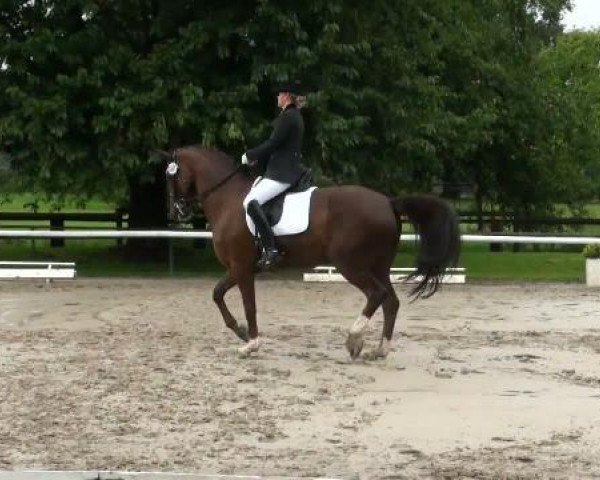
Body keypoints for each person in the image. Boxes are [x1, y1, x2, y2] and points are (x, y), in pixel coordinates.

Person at [241, 80, 307, 270]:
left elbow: (272, 144)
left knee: (250, 203)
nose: (277, 97)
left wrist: (249, 155)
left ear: (286, 96)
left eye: (279, 94)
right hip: (283, 171)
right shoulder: (293, 116)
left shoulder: (288, 117)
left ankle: (271, 250)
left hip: (282, 174)